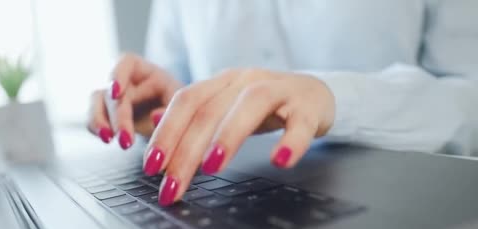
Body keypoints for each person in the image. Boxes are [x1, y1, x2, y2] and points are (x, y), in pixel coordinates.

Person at [87, 0, 478, 206]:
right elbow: (179, 81)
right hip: (225, 201)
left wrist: (333, 98)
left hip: (401, 209)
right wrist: (167, 111)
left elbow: (469, 96)